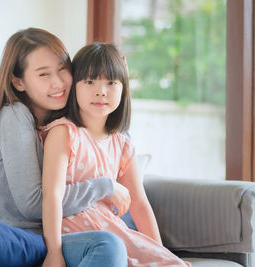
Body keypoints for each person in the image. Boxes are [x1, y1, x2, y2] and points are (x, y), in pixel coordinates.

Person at [0, 28, 129, 267]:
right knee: (107, 244)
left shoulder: (58, 122)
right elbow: (33, 205)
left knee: (124, 223)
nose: (58, 82)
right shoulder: (14, 117)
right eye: (43, 74)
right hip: (21, 238)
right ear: (18, 81)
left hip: (58, 231)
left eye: (62, 69)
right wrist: (104, 186)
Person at [39, 43, 190, 267]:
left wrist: (158, 251)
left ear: (123, 87)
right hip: (75, 233)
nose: (101, 91)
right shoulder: (64, 133)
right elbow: (51, 194)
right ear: (74, 86)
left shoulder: (122, 143)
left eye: (111, 82)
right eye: (90, 82)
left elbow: (139, 204)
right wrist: (54, 252)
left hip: (109, 227)